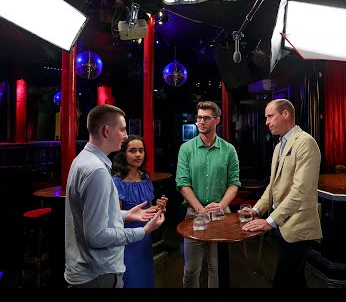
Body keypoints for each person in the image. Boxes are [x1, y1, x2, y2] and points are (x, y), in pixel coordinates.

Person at [64, 104, 165, 288]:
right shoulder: (97, 170)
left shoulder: (82, 160)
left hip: (84, 269)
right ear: (106, 130)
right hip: (97, 273)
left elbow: (92, 218)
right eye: (123, 130)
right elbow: (97, 236)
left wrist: (126, 215)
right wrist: (143, 231)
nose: (126, 136)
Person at [242, 98, 322, 289]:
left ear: (285, 114)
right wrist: (256, 210)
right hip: (283, 225)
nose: (267, 122)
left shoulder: (306, 142)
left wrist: (269, 221)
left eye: (270, 116)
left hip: (298, 227)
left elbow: (300, 190)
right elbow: (273, 185)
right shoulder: (279, 145)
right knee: (296, 281)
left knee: (284, 281)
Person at [175, 101, 241, 288]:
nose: (201, 122)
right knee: (191, 269)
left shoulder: (229, 150)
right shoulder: (186, 149)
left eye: (206, 118)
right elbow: (182, 183)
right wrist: (200, 209)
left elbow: (234, 183)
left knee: (216, 267)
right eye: (199, 118)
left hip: (221, 215)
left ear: (217, 120)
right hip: (193, 214)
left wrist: (220, 205)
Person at [111, 135, 168, 288]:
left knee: (145, 278)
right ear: (124, 154)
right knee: (131, 280)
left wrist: (159, 208)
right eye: (133, 151)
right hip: (126, 239)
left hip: (145, 236)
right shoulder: (117, 182)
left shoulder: (145, 178)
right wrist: (142, 214)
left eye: (141, 151)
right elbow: (114, 219)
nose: (138, 155)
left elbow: (148, 210)